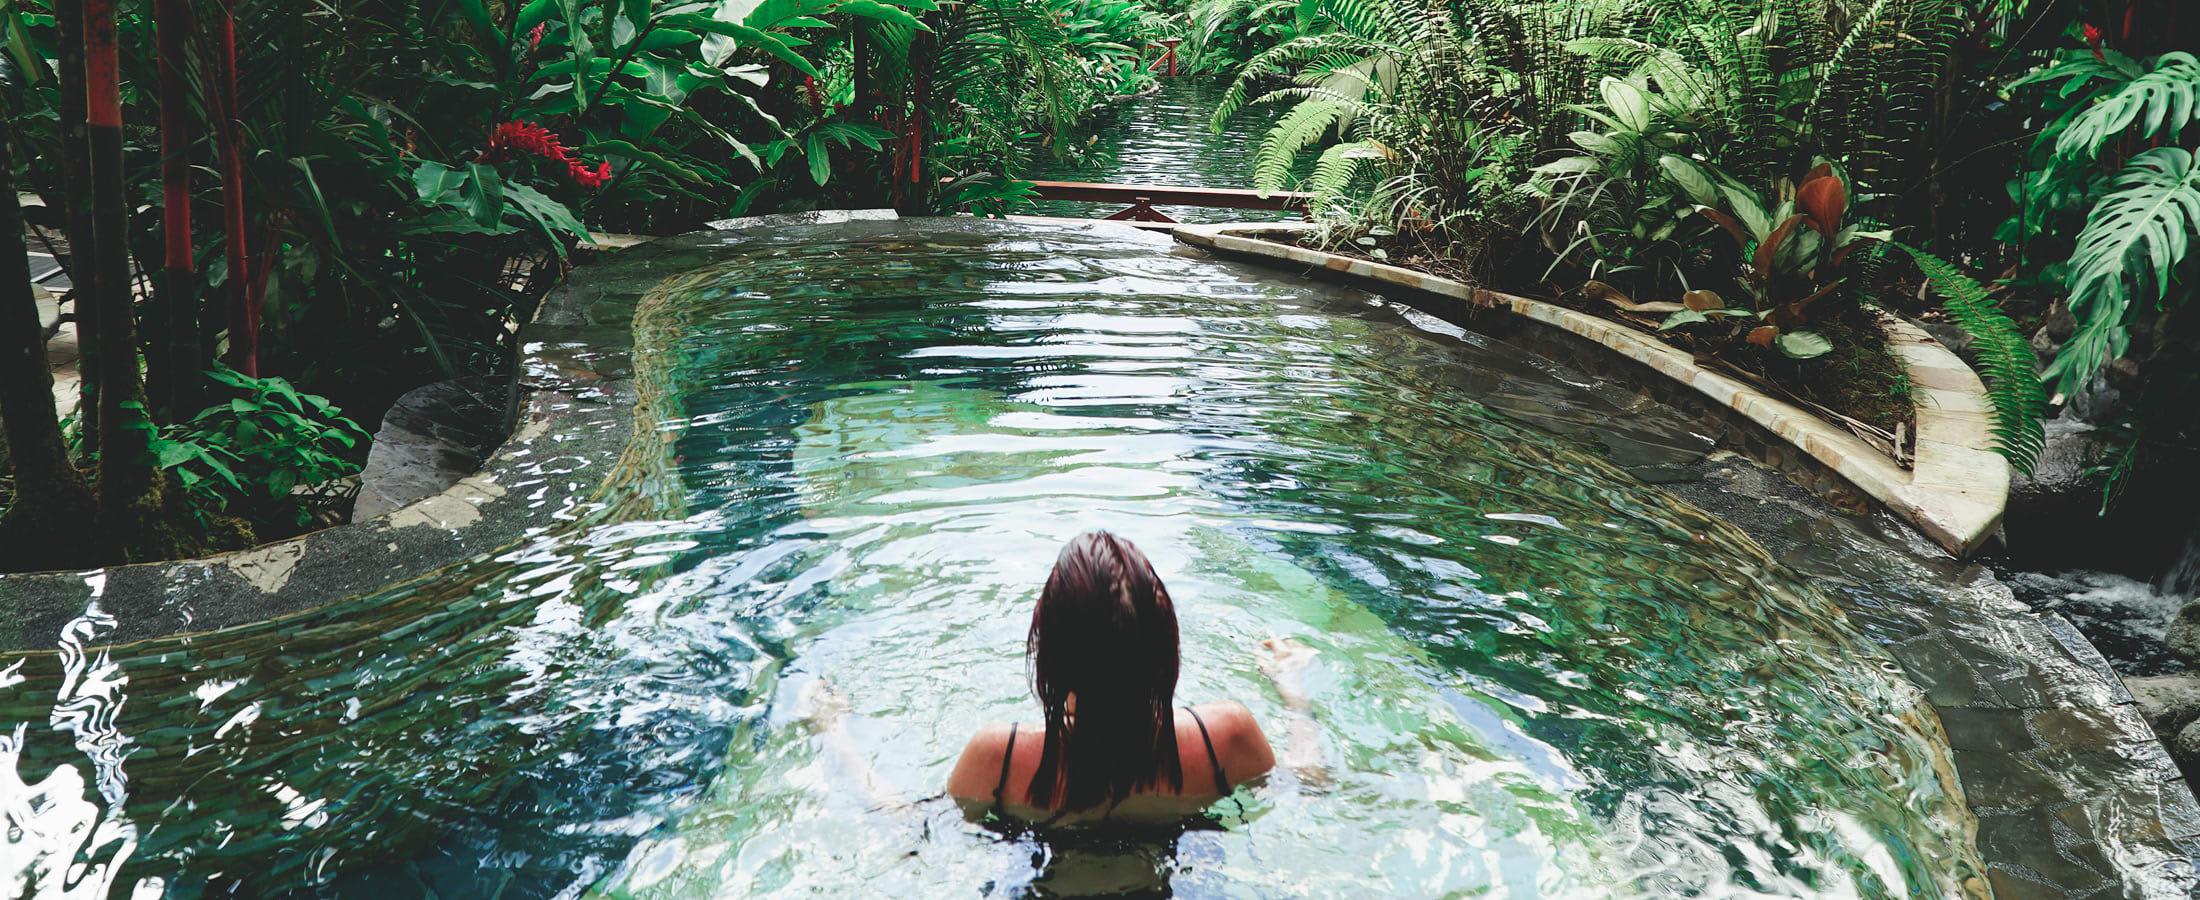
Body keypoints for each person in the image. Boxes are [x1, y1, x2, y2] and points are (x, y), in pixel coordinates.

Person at [944, 531, 1320, 827]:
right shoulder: (1222, 739)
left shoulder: (1000, 759)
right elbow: (1309, 781)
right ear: (1164, 648)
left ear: (1053, 653)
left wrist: (880, 787)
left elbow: (919, 834)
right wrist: (1294, 694)